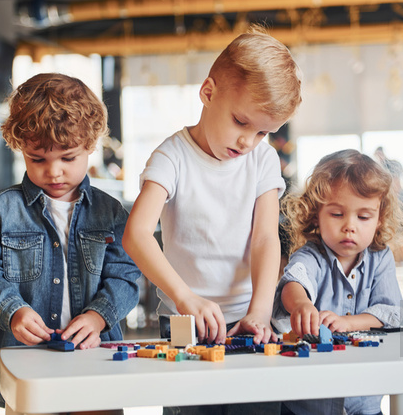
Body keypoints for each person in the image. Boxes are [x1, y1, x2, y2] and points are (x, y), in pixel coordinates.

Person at [122, 26, 301, 414]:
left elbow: (265, 240)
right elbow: (136, 235)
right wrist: (185, 297)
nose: (247, 142)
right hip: (184, 321)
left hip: (247, 317)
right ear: (208, 93)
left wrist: (260, 309)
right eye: (240, 122)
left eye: (263, 132)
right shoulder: (172, 156)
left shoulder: (262, 159)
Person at [0, 73, 141, 412]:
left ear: (91, 146)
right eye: (38, 159)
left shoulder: (110, 211)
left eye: (68, 157)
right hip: (26, 357)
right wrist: (12, 310)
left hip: (95, 355)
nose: (54, 171)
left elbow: (125, 274)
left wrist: (99, 317)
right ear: (20, 149)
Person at [272, 149, 403, 415]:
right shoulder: (311, 255)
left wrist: (349, 323)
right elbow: (295, 281)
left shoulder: (380, 258)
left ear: (379, 218)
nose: (350, 226)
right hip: (309, 402)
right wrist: (301, 304)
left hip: (363, 400)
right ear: (316, 214)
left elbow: (388, 312)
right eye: (337, 214)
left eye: (363, 217)